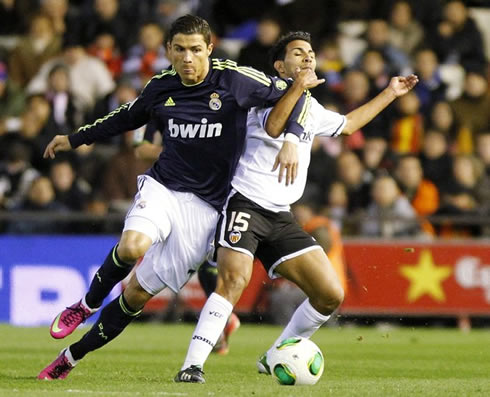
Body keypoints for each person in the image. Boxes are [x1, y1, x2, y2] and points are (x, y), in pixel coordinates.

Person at [37, 15, 322, 380]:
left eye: (195, 50)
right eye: (180, 50)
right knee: (132, 246)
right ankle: (86, 304)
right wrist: (75, 139)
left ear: (209, 49)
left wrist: (292, 141)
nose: (188, 58)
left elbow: (296, 93)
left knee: (136, 295)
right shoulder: (161, 85)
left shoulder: (235, 79)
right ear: (168, 51)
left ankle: (70, 357)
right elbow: (124, 117)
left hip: (207, 208)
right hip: (164, 187)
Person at [175, 31, 418, 383]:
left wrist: (390, 93)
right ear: (279, 65)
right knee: (234, 280)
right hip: (245, 202)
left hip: (280, 215)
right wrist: (296, 97)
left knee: (330, 294)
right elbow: (275, 127)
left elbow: (348, 125)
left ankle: (275, 353)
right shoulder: (262, 95)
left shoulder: (313, 109)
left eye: (311, 52)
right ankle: (191, 365)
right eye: (297, 53)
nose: (307, 57)